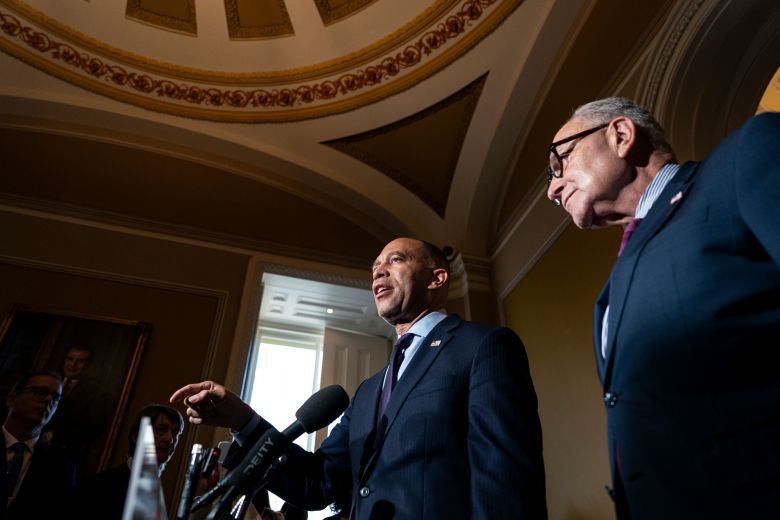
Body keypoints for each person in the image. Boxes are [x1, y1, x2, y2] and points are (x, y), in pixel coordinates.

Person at [171, 238, 547, 519]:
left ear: (437, 278)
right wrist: (241, 419)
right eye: (375, 268)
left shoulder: (483, 346)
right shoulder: (369, 391)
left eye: (395, 260)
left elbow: (507, 479)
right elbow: (315, 483)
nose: (378, 272)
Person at [546, 97, 780, 518]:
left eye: (561, 160)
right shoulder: (610, 292)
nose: (552, 187)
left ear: (620, 135)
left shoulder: (745, 156)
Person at [68, 403, 184, 519]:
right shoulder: (96, 488)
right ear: (136, 435)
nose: (170, 439)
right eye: (160, 430)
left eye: (175, 433)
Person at [2, 371, 74, 519]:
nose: (48, 400)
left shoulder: (61, 467)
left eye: (56, 398)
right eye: (40, 392)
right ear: (12, 399)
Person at [43, 345, 110, 475]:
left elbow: (93, 427)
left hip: (63, 457)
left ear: (89, 365)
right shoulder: (49, 381)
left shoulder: (97, 392)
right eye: (70, 359)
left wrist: (55, 436)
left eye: (80, 361)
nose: (73, 365)